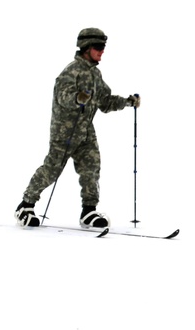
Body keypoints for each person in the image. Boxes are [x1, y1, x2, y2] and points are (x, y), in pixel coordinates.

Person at [14, 28, 140, 229]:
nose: (102, 51)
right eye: (98, 47)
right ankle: (25, 205)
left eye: (103, 47)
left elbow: (105, 102)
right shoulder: (71, 71)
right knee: (52, 169)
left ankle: (88, 211)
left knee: (91, 169)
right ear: (85, 48)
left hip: (85, 131)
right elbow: (62, 96)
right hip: (65, 132)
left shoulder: (95, 74)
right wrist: (76, 98)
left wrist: (127, 102)